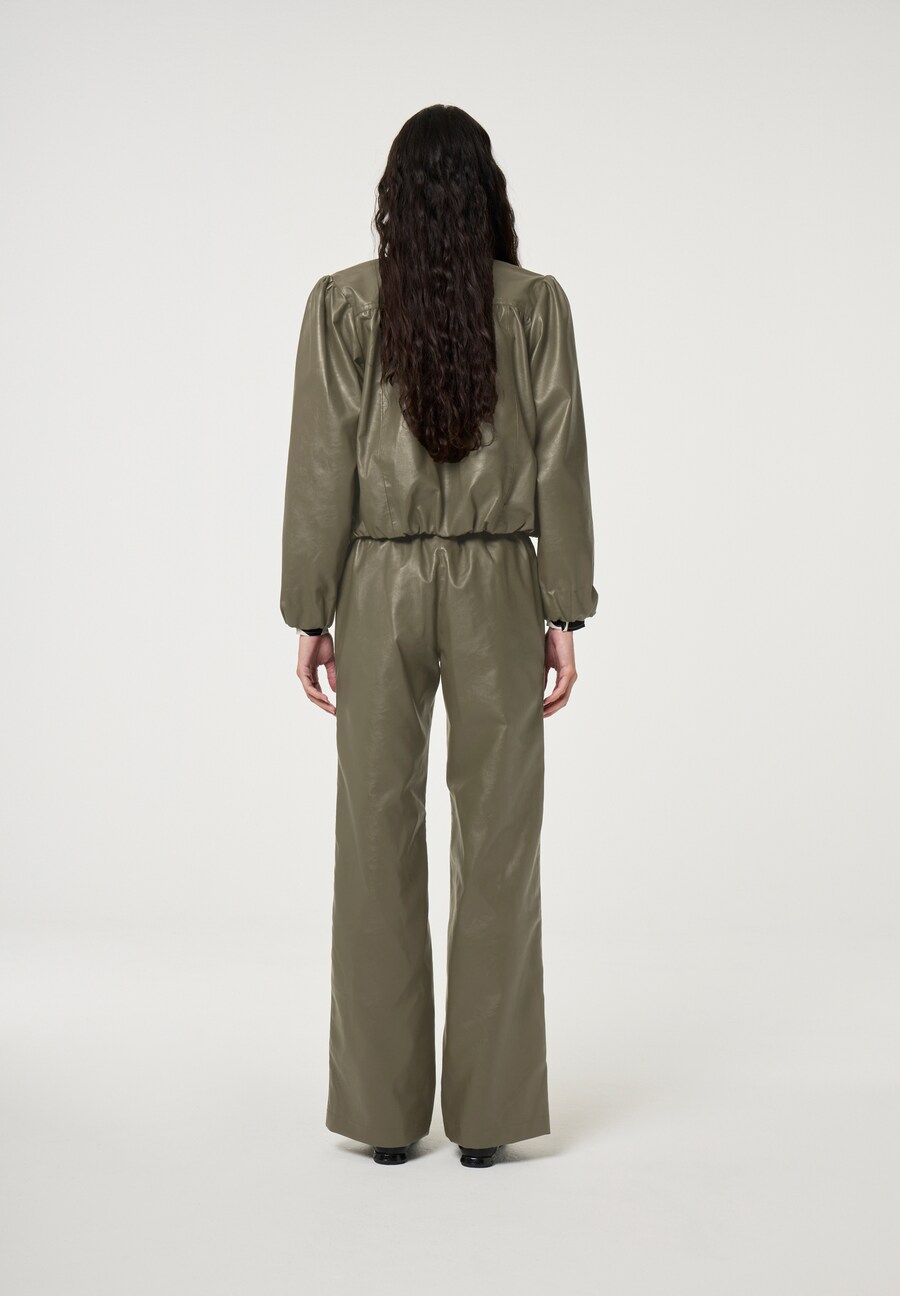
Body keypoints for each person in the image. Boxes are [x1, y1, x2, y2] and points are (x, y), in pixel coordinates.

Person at [280, 104, 597, 1169]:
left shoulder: (343, 304)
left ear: (393, 199)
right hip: (499, 582)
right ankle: (489, 1121)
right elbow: (561, 460)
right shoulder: (534, 305)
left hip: (377, 584)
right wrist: (563, 608)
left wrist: (311, 610)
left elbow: (321, 465)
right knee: (499, 843)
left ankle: (382, 1120)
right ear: (487, 193)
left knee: (373, 841)